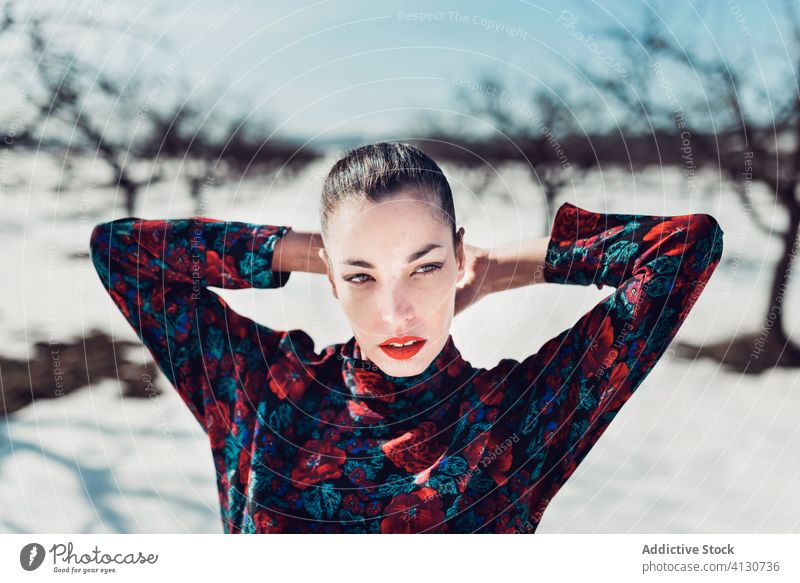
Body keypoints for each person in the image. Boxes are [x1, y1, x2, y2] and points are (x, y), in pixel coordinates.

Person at [89, 141, 724, 533]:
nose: (396, 312)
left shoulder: (517, 420)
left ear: (457, 258)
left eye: (424, 268)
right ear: (333, 281)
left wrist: (503, 268)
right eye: (361, 277)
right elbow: (121, 252)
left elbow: (683, 248)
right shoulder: (261, 389)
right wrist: (307, 252)